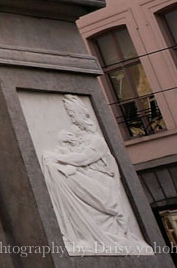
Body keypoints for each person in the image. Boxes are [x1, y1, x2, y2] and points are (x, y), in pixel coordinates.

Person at [41, 95, 151, 254]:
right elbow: (76, 156)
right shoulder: (80, 139)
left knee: (56, 170)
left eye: (72, 115)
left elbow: (83, 159)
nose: (71, 120)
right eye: (70, 116)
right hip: (90, 181)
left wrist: (56, 157)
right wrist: (64, 144)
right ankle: (73, 233)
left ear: (80, 116)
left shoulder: (96, 140)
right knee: (54, 170)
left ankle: (82, 234)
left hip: (103, 187)